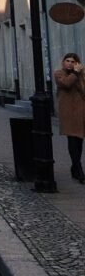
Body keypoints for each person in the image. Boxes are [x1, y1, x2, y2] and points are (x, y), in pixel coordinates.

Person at [54, 52, 85, 183]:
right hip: (67, 112)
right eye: (68, 61)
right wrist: (75, 74)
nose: (70, 63)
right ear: (63, 62)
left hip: (80, 112)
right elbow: (66, 84)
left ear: (76, 63)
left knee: (79, 141)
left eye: (73, 61)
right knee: (72, 140)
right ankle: (79, 170)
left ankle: (74, 167)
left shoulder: (81, 75)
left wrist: (80, 75)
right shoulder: (58, 73)